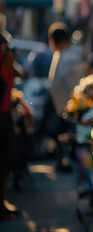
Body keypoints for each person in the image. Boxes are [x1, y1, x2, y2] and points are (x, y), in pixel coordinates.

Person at [45, 22, 83, 171]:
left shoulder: (70, 57)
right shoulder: (65, 54)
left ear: (56, 40)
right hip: (63, 103)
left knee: (64, 134)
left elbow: (66, 83)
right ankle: (65, 161)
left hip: (67, 104)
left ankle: (69, 162)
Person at [0, 29, 22, 220]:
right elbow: (17, 72)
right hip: (2, 115)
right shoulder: (5, 57)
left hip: (4, 112)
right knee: (4, 161)